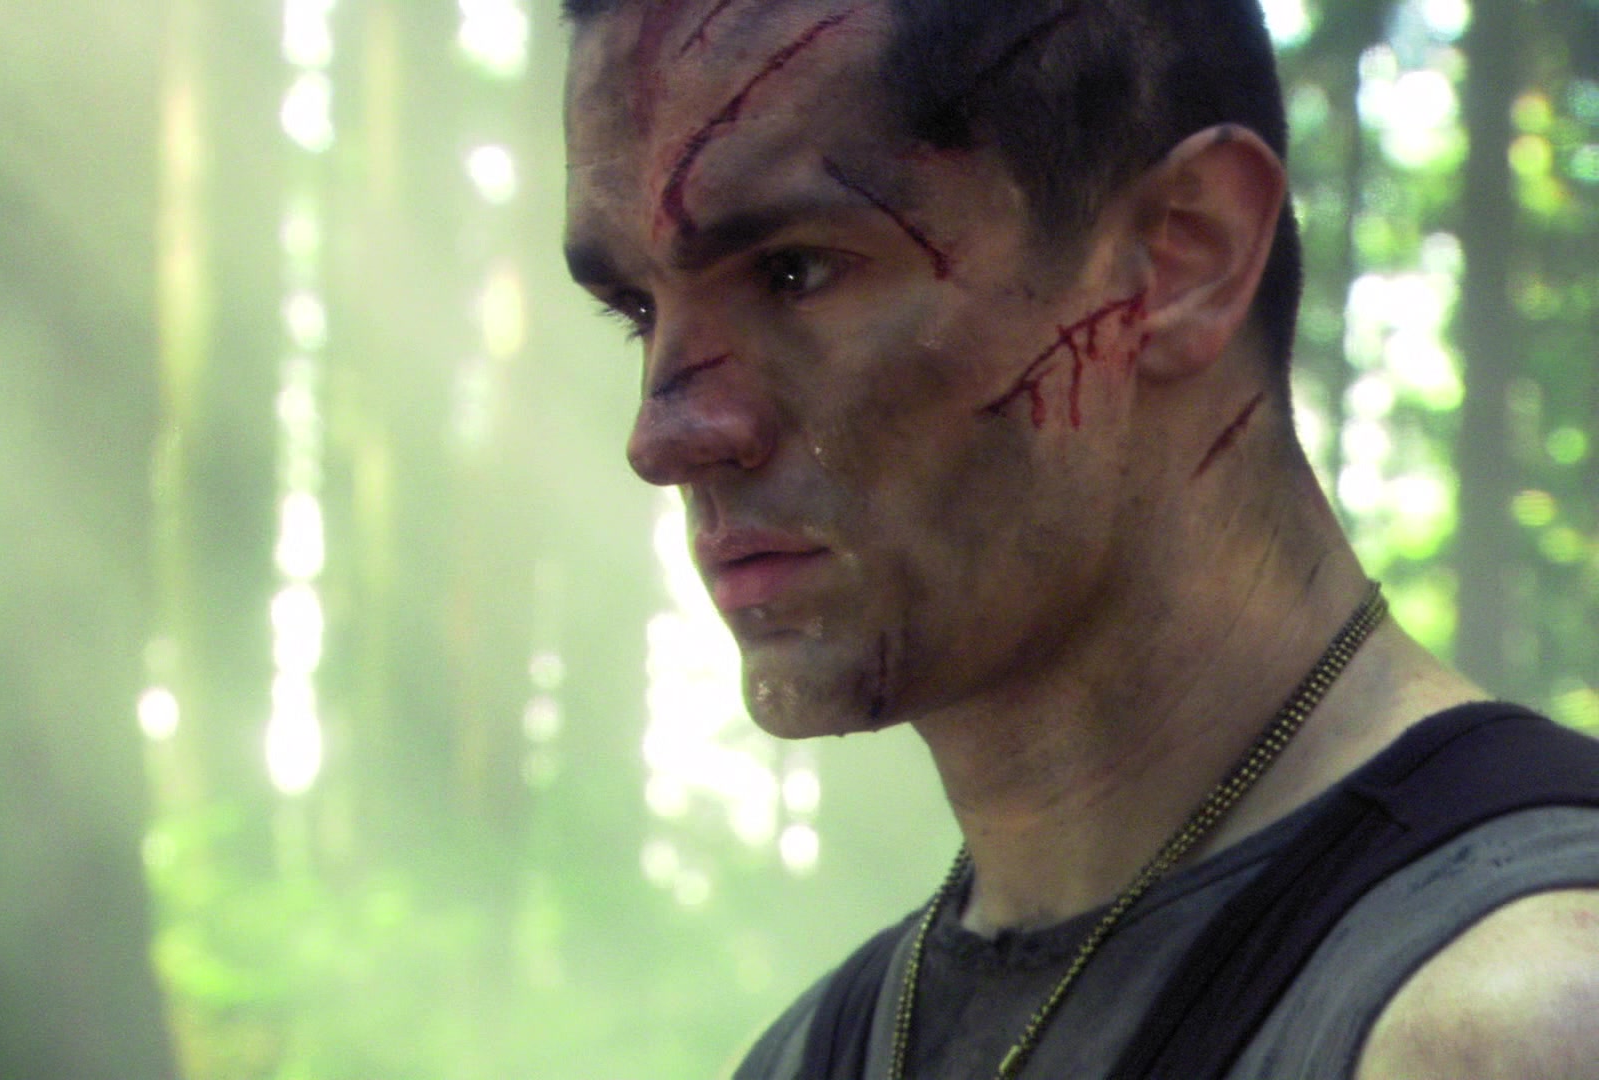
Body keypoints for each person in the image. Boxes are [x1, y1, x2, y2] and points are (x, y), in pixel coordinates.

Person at [559, 0, 1599, 1077]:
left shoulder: (1521, 1013)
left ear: (1181, 255)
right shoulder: (814, 1051)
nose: (665, 436)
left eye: (795, 271)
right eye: (636, 309)